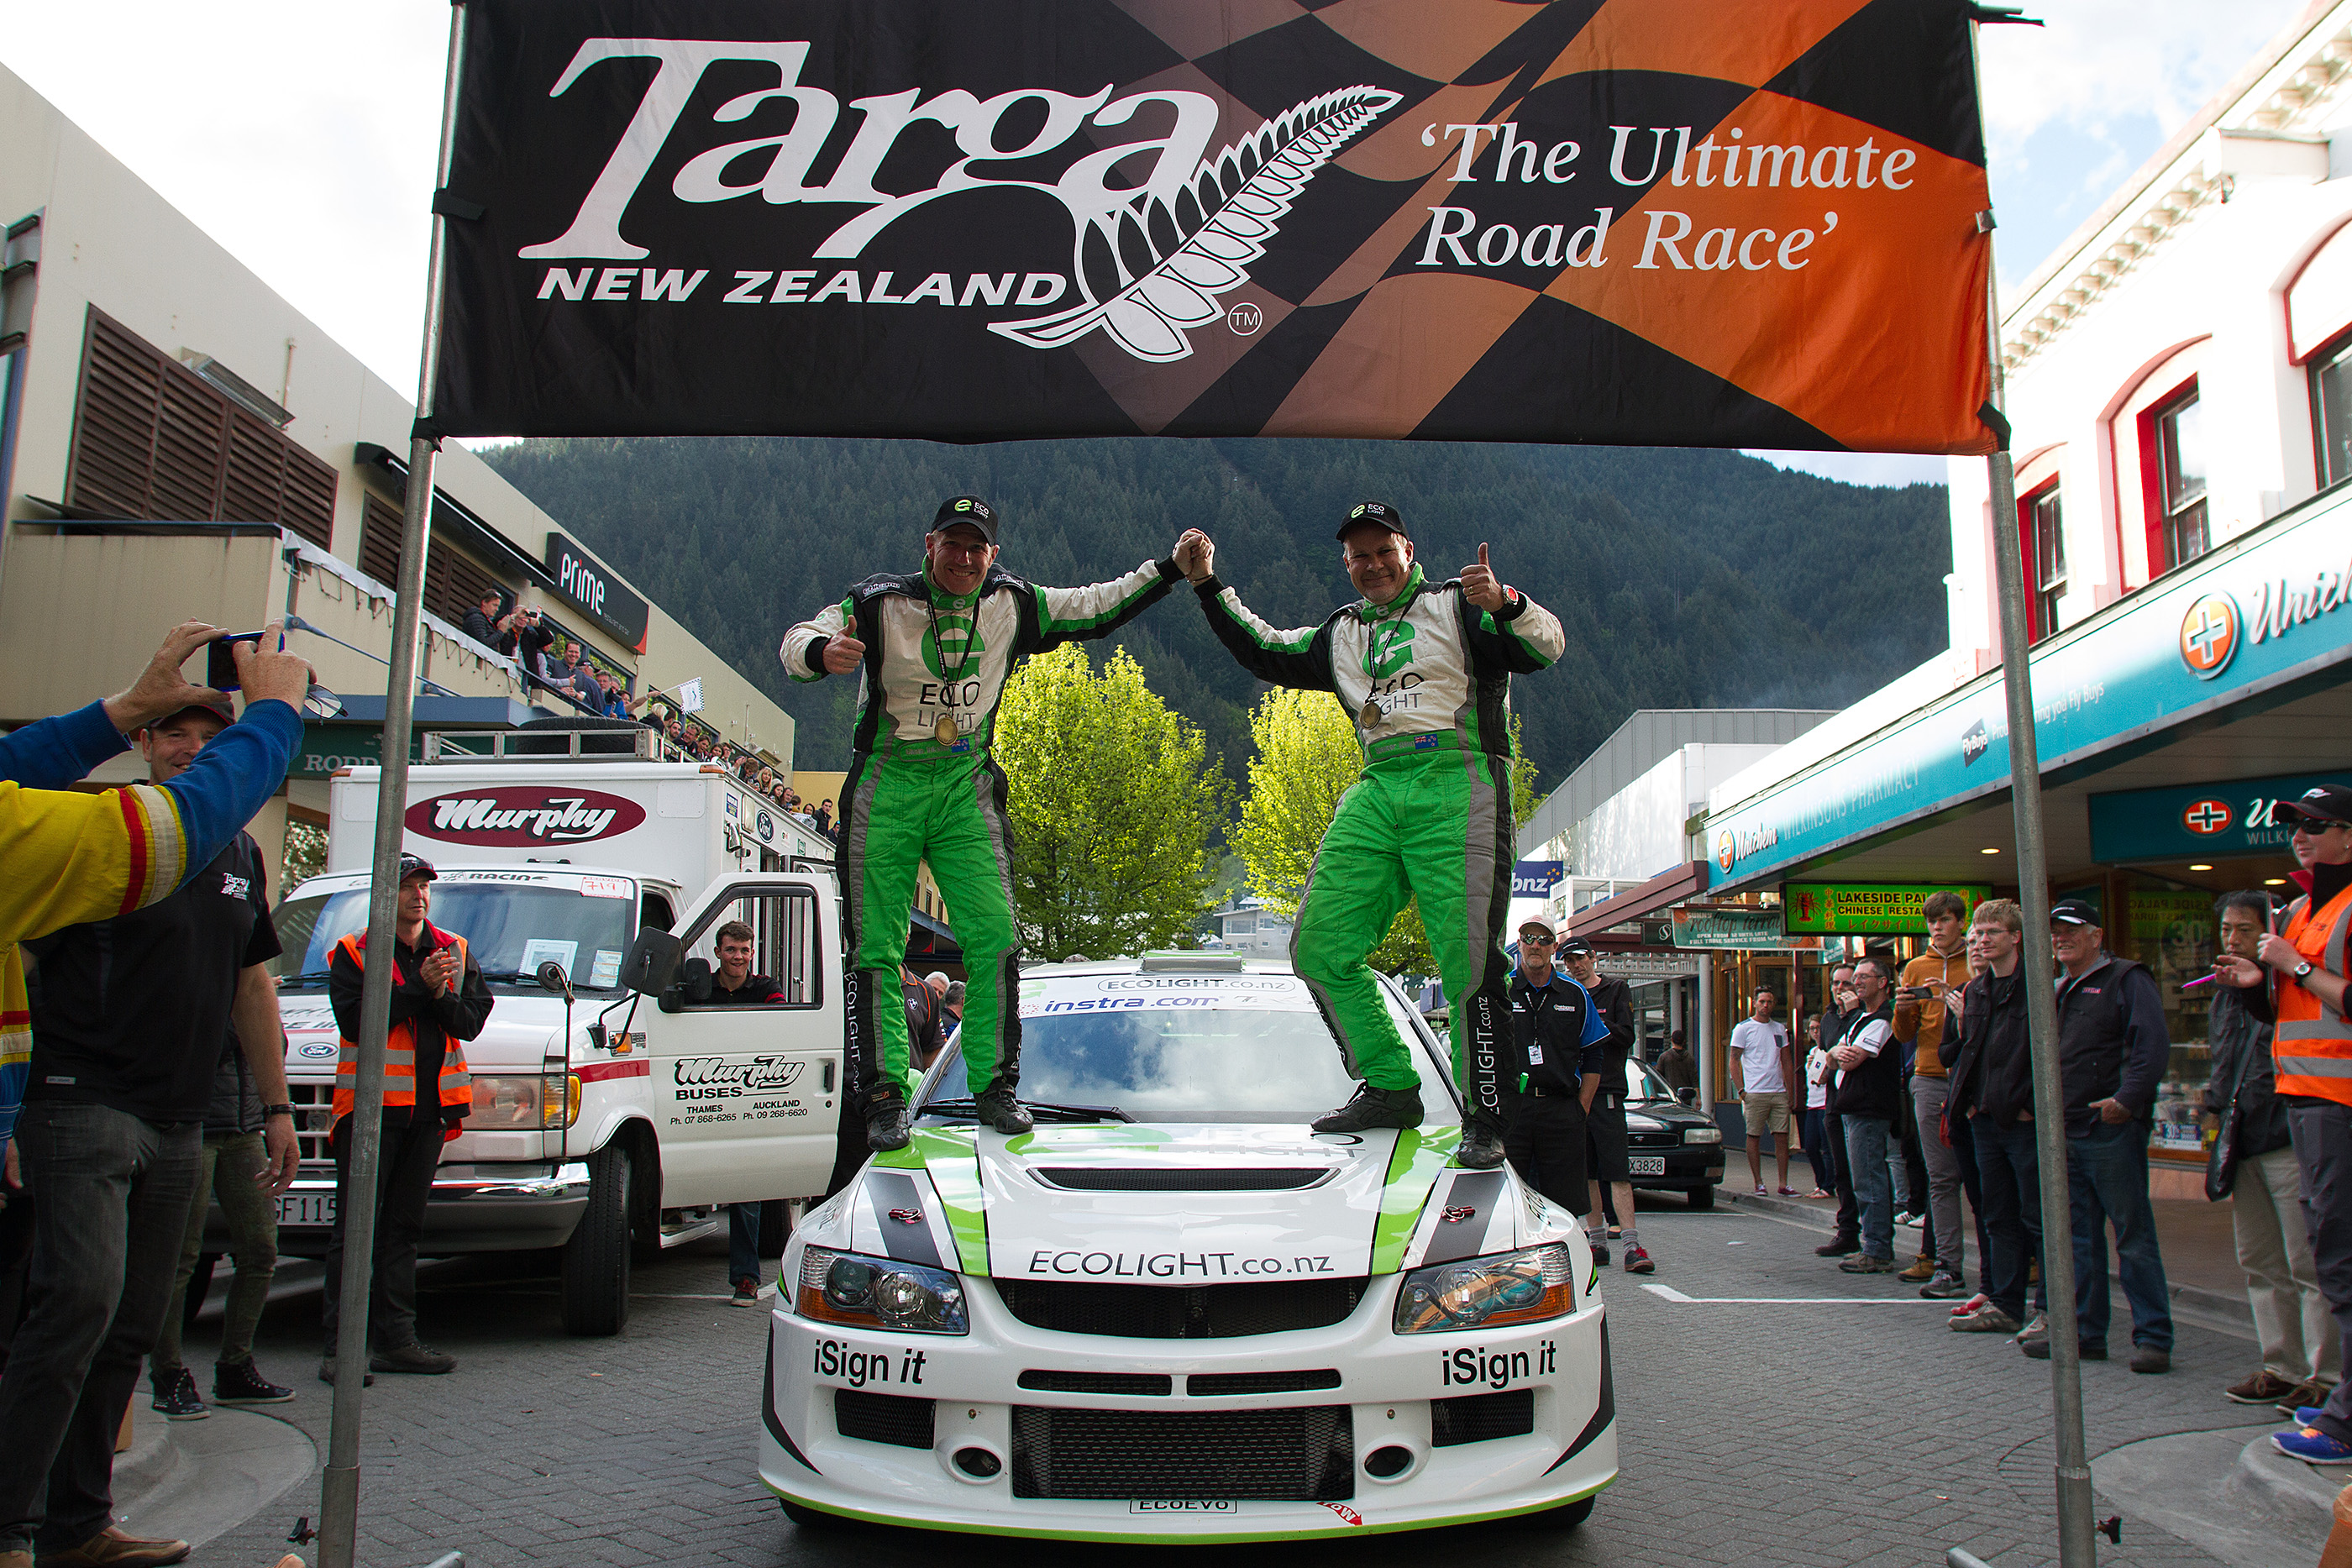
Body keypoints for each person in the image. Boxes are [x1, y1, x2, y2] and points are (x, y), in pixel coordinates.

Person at [0, 622, 311, 1568]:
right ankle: (9, 1527)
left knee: (133, 1323)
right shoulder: (95, 826)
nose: (190, 743)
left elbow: (251, 982)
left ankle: (77, 1524)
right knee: (76, 1306)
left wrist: (276, 1106)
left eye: (204, 728)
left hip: (183, 1112)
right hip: (81, 1100)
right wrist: (275, 714)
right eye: (169, 728)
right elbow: (165, 827)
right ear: (143, 747)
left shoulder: (241, 860)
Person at [782, 496, 1185, 1151]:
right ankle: (883, 1099)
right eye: (954, 544)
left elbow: (1096, 604)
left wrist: (1166, 569)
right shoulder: (878, 600)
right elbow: (797, 638)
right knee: (877, 948)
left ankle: (995, 1088)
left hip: (965, 781)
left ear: (993, 554)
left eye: (979, 548)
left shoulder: (1013, 601)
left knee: (996, 936)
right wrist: (822, 650)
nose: (966, 558)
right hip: (886, 778)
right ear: (930, 543)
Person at [1180, 504, 1565, 1169]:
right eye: (1358, 556)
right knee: (1319, 946)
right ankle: (1389, 1082)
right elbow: (1265, 650)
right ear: (1346, 565)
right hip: (1380, 780)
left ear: (1408, 550)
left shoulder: (1460, 603)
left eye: (1382, 550)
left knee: (1468, 964)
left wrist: (1506, 602)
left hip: (1461, 775)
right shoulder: (1344, 632)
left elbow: (1546, 647)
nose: (1372, 565)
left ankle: (1487, 1118)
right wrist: (1209, 585)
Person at [321, 853, 491, 1384]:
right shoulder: (354, 952)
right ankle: (339, 1349)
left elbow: (469, 1024)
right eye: (408, 887)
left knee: (403, 1230)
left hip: (428, 1113)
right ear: (382, 896)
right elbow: (356, 1021)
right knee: (355, 1230)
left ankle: (397, 1341)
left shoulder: (454, 950)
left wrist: (436, 992)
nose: (419, 896)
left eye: (424, 887)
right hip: (370, 1114)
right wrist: (420, 987)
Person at [2025, 898, 2172, 1373]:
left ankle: (2153, 1338)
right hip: (2063, 1131)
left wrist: (2126, 1101)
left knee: (2132, 1235)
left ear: (2097, 935)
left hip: (2109, 1132)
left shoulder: (2128, 979)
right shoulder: (2059, 987)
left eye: (2072, 929)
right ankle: (2084, 1334)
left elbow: (2152, 1045)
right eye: (2055, 931)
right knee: (2076, 1240)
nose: (2061, 938)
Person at [2208, 890, 2338, 1410]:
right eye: (2226, 930)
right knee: (2260, 1259)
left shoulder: (2286, 984)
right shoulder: (2225, 990)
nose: (2234, 940)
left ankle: (2324, 1374)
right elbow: (2223, 1060)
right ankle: (2279, 1365)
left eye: (2244, 929)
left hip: (2289, 1136)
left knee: (2308, 1262)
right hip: (2243, 1139)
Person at [2253, 787, 2352, 1462]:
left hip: (2339, 1105)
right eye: (2294, 826)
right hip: (2304, 1099)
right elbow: (2289, 1007)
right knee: (2334, 1257)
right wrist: (2251, 984)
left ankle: (2345, 1419)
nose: (2300, 836)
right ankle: (2344, 1401)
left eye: (2316, 826)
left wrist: (2298, 966)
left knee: (2342, 1261)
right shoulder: (2296, 907)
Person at [1945, 898, 2042, 1335]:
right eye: (1978, 934)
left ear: (2016, 937)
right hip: (1982, 1118)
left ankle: (2048, 1308)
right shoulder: (1977, 990)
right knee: (1996, 1213)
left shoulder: (2037, 987)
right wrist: (1965, 1104)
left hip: (2021, 1122)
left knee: (2037, 1216)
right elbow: (1969, 1052)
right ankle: (2005, 1302)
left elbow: (2038, 1054)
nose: (1982, 941)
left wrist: (2027, 1107)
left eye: (1992, 933)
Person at [1501, 918, 1610, 1242]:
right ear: (1519, 944)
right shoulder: (1502, 989)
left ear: (1554, 947)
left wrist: (1581, 1109)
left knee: (1564, 1206)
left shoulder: (1574, 994)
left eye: (1543, 939)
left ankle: (1565, 1268)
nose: (1535, 945)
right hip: (1513, 1110)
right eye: (1528, 938)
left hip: (1561, 1109)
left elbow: (1594, 1055)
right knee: (1510, 1199)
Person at [700, 921, 788, 1308]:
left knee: (746, 1192)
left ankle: (747, 1279)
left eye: (745, 950)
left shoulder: (767, 989)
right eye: (732, 949)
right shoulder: (700, 990)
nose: (739, 956)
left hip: (749, 1102)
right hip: (703, 1099)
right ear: (718, 952)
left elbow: (781, 1027)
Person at [1895, 892, 1977, 1298]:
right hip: (1930, 1077)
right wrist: (1902, 1008)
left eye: (1945, 920)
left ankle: (2008, 1265)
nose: (1938, 928)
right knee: (1942, 1177)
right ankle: (1948, 1266)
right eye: (1932, 922)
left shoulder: (1976, 963)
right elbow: (1904, 1036)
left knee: (1985, 1175)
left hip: (1976, 1077)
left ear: (1960, 922)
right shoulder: (1916, 967)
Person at [1829, 955, 1903, 1273]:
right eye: (1853, 977)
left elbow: (1849, 1059)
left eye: (1863, 977)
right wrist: (1833, 1054)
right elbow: (1830, 1054)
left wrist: (1836, 1056)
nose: (1856, 982)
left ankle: (1876, 1248)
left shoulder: (1883, 1020)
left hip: (1869, 1107)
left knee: (1869, 1178)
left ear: (1883, 983)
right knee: (1862, 1177)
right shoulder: (1859, 1018)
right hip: (1850, 1107)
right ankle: (1871, 1243)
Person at [1814, 962, 1865, 1259]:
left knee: (1864, 1171)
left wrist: (1854, 1011)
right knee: (1841, 1170)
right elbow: (1826, 1053)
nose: (1840, 989)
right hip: (1833, 1100)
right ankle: (1847, 1231)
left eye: (1846, 984)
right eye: (1836, 983)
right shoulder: (1829, 1018)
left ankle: (1872, 1234)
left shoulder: (1861, 1017)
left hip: (1859, 1101)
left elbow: (1850, 1050)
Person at [1729, 989, 1797, 1197]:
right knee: (1754, 1136)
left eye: (1769, 1001)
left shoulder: (1779, 1029)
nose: (1766, 1005)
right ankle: (1758, 1182)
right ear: (1755, 1003)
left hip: (1778, 1092)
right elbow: (1734, 1060)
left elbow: (1786, 1061)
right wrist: (1742, 1090)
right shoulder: (1743, 1029)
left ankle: (1783, 1183)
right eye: (1762, 1001)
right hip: (1755, 1092)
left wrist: (1790, 1092)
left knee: (1782, 1137)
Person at [1800, 1016, 1836, 1198]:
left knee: (1826, 1146)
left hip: (1824, 1103)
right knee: (1810, 1146)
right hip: (1812, 1103)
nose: (1815, 1032)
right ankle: (1820, 1181)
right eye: (1812, 1028)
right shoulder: (1813, 1052)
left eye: (1818, 1028)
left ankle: (1829, 1186)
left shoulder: (1828, 1051)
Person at [461, 588, 517, 652]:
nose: (497, 609)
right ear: (484, 602)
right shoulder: (476, 618)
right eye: (494, 605)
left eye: (498, 606)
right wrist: (501, 631)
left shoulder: (487, 621)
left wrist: (505, 630)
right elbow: (484, 643)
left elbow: (499, 648)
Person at [1656, 1029, 1696, 1095]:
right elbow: (1694, 1080)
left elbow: (1657, 1078)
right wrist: (1698, 1098)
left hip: (1669, 1097)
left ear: (1672, 1040)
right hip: (1685, 1097)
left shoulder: (1664, 1057)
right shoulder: (1689, 1058)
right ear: (1684, 1042)